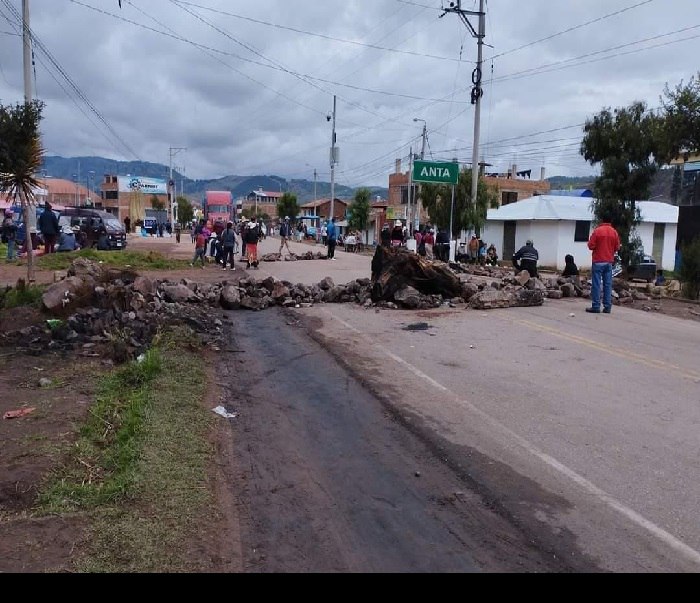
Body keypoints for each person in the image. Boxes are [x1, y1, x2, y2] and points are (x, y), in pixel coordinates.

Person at [587, 216, 621, 314]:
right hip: (609, 262)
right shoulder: (614, 232)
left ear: (602, 220)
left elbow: (591, 245)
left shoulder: (597, 231)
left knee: (597, 284)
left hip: (598, 261)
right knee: (607, 284)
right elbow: (617, 247)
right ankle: (607, 306)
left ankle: (596, 306)